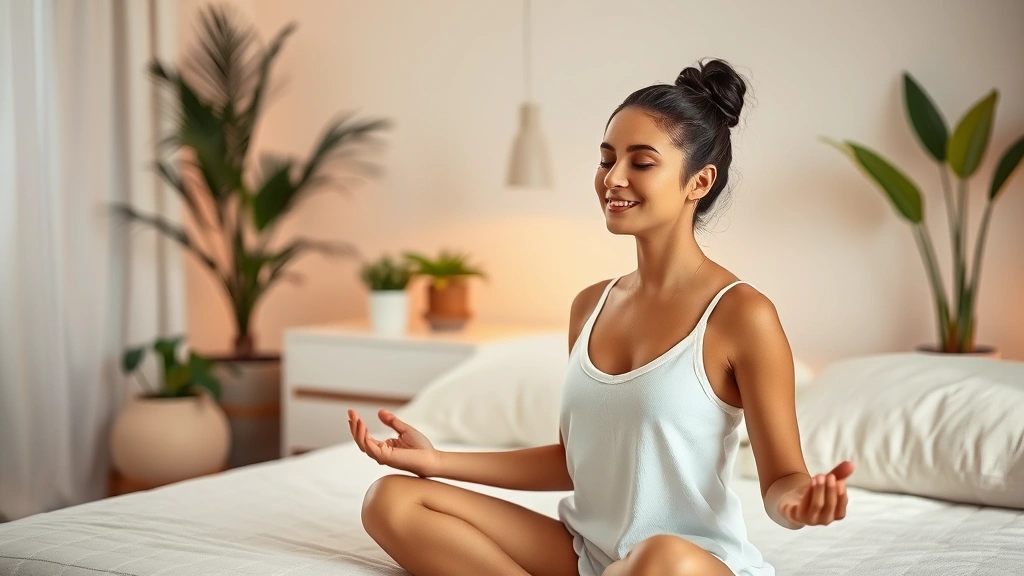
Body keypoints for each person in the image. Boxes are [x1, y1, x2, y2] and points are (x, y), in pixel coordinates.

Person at [347, 58, 855, 576]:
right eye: (607, 158)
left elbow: (782, 478)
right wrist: (439, 463)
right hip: (587, 554)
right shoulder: (590, 305)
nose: (613, 178)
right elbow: (576, 461)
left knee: (658, 557)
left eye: (641, 162)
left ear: (698, 182)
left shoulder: (743, 314)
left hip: (685, 566)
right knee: (390, 499)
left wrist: (799, 504)